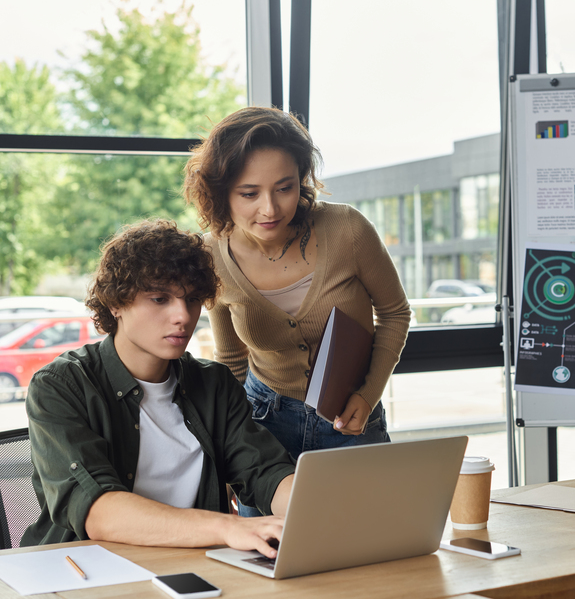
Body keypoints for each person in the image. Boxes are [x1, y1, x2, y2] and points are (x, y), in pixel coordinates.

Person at [183, 107, 411, 515]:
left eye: (284, 188)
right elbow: (233, 360)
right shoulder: (211, 256)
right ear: (221, 193)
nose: (270, 209)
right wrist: (235, 447)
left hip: (352, 417)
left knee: (372, 551)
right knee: (270, 563)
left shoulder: (347, 230)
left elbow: (395, 313)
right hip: (263, 426)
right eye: (249, 194)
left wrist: (368, 393)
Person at [21, 219, 294, 559]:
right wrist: (227, 527)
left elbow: (265, 472)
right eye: (159, 298)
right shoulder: (62, 386)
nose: (183, 316)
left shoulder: (214, 385)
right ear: (115, 303)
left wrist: (308, 503)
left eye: (192, 299)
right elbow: (98, 510)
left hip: (191, 567)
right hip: (83, 570)